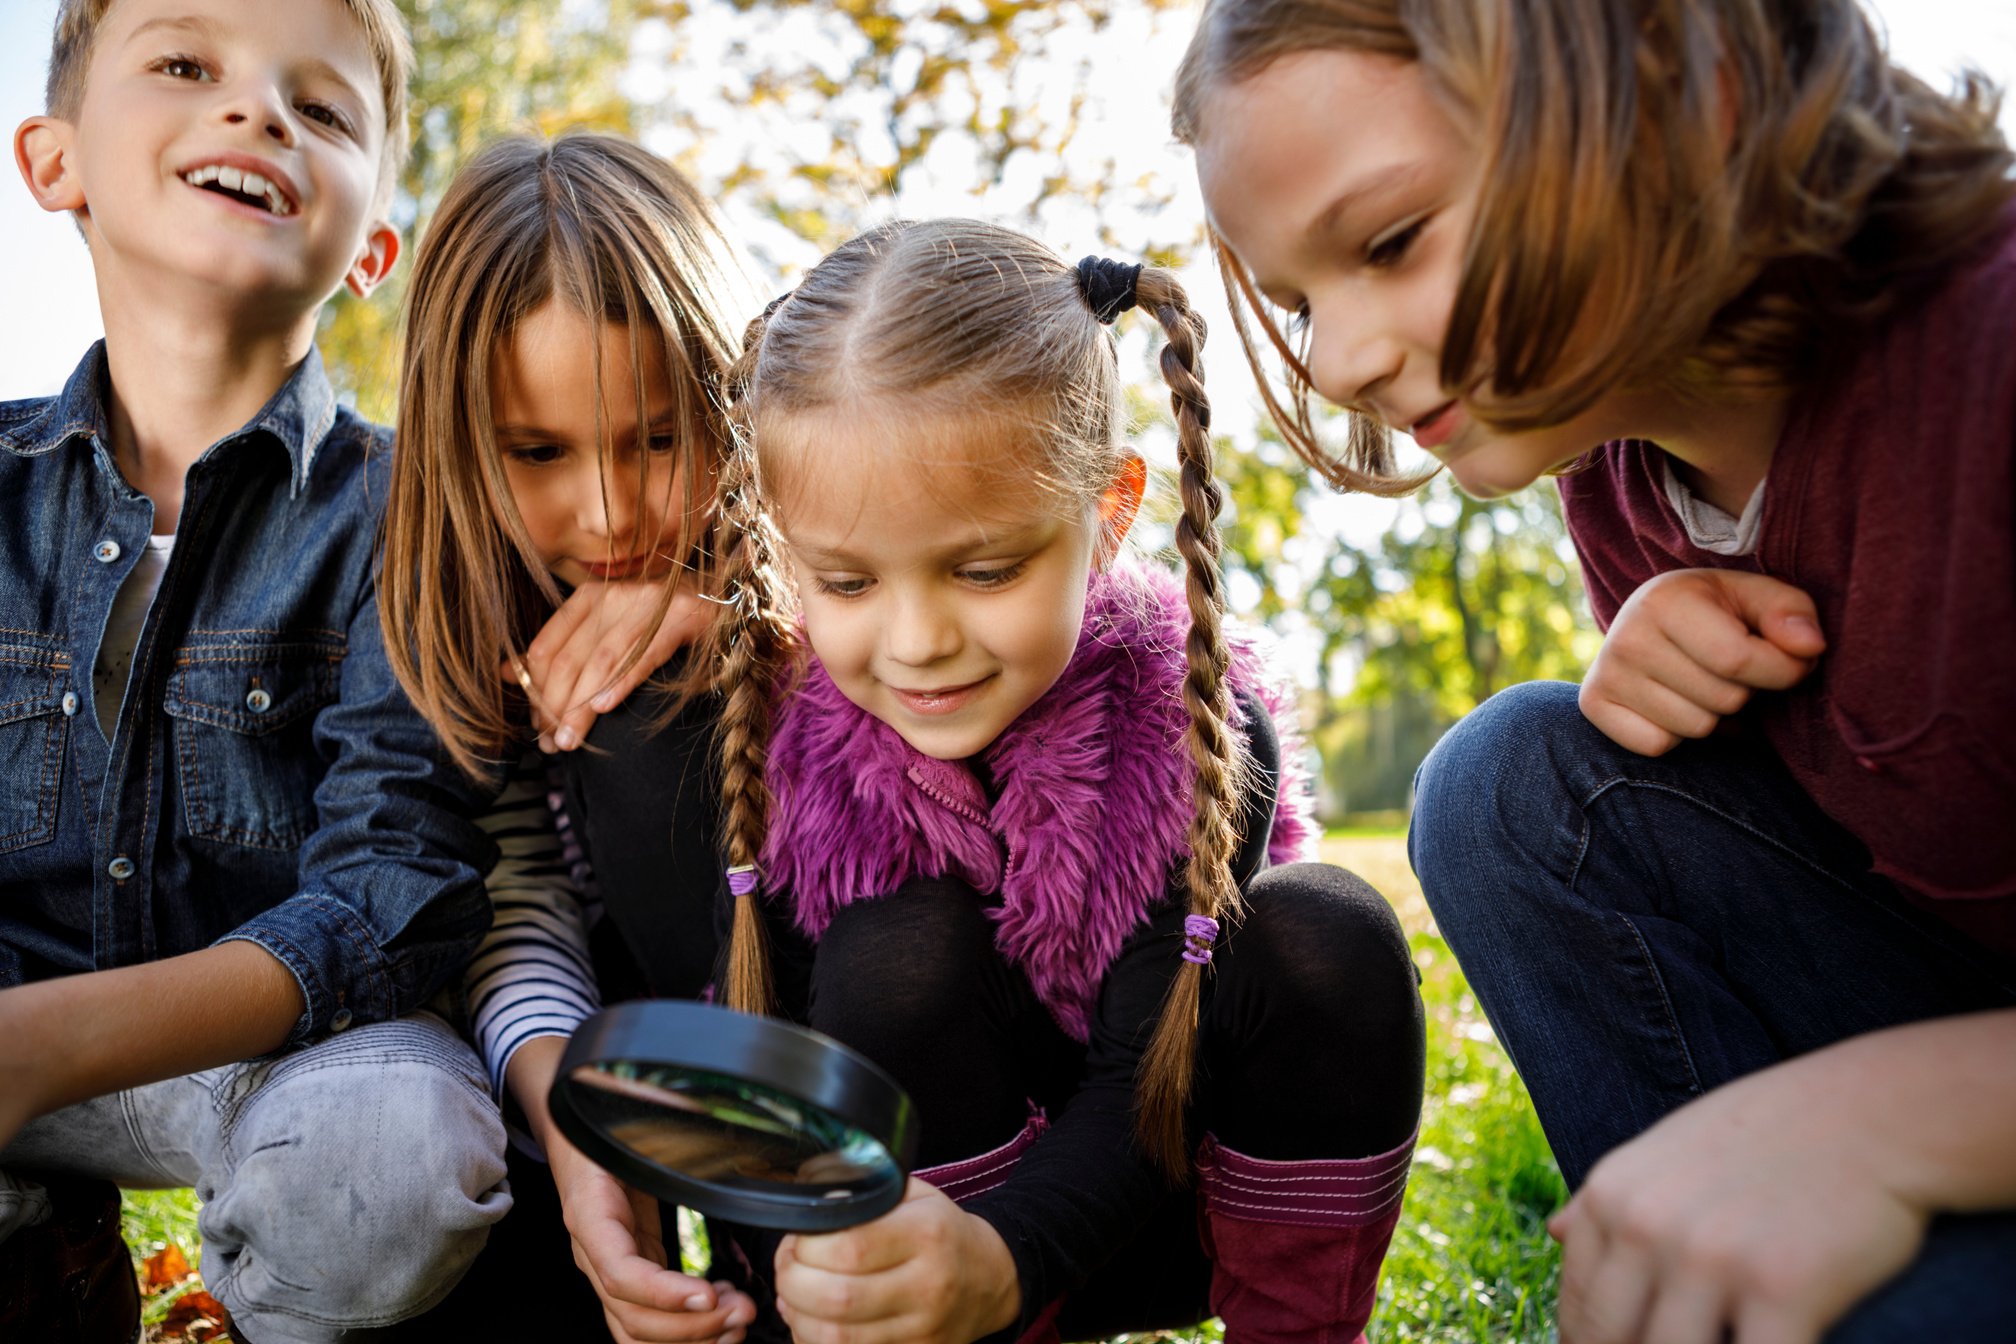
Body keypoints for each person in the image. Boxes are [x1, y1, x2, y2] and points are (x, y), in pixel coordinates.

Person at [1170, 1, 2016, 1341]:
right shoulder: (1625, 493)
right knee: (1509, 781)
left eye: (1390, 241)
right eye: (1300, 301)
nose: (1339, 361)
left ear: (1690, 84)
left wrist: (1865, 1127)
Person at [609, 217, 1422, 1344]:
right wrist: (774, 1282)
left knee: (1329, 930)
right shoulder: (790, 758)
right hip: (929, 1241)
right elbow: (766, 1080)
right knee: (899, 951)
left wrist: (1005, 1258)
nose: (918, 641)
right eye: (846, 582)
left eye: (984, 569)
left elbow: (1147, 1085)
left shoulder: (1185, 730)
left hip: (1164, 1196)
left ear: (1110, 514)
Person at [0, 1, 516, 1341]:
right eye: (185, 65)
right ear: (53, 161)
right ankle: (40, 1267)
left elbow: (384, 895)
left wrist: (36, 1047)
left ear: (373, 250)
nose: (258, 112)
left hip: (282, 1060)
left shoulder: (414, 510)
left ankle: (265, 1316)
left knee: (403, 1153)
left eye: (324, 109)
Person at [376, 132, 762, 1344]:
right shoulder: (447, 594)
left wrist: (739, 612)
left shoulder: (821, 547)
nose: (607, 513)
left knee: (653, 726)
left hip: (785, 1039)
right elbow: (518, 901)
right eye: (537, 452)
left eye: (656, 437)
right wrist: (580, 1121)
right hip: (562, 1051)